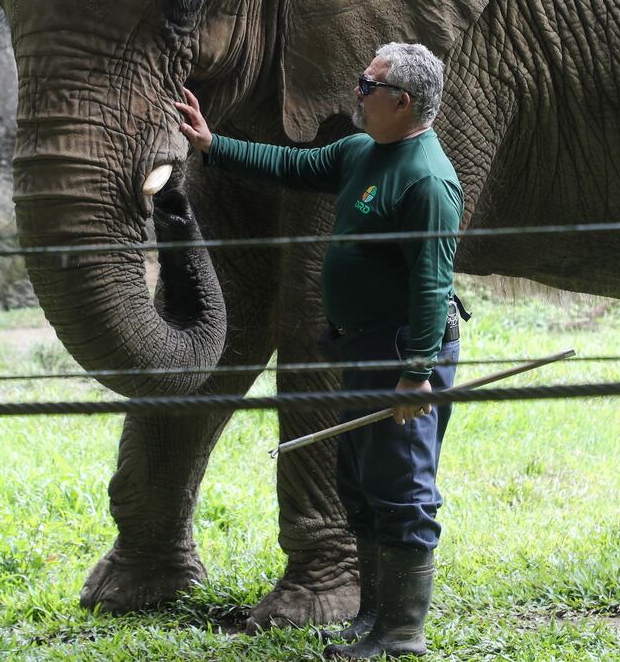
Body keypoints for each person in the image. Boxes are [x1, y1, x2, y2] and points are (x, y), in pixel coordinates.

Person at [176, 42, 465, 659]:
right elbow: (292, 167)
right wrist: (212, 145)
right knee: (358, 483)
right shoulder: (363, 151)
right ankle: (371, 618)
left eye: (367, 86)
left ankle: (402, 633)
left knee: (402, 489)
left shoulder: (428, 180)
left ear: (401, 102)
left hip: (401, 355)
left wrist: (417, 375)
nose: (356, 93)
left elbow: (432, 286)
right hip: (361, 349)